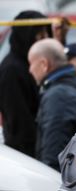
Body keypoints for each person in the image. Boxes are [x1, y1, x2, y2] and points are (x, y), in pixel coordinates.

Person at [0, 11, 68, 157]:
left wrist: (60, 41)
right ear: (26, 34)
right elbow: (20, 124)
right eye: (39, 32)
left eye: (46, 31)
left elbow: (58, 71)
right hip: (26, 156)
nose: (44, 37)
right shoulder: (12, 71)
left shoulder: (33, 64)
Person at [28, 39, 76, 171]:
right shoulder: (75, 83)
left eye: (31, 64)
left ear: (44, 64)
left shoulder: (58, 96)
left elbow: (54, 154)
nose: (30, 70)